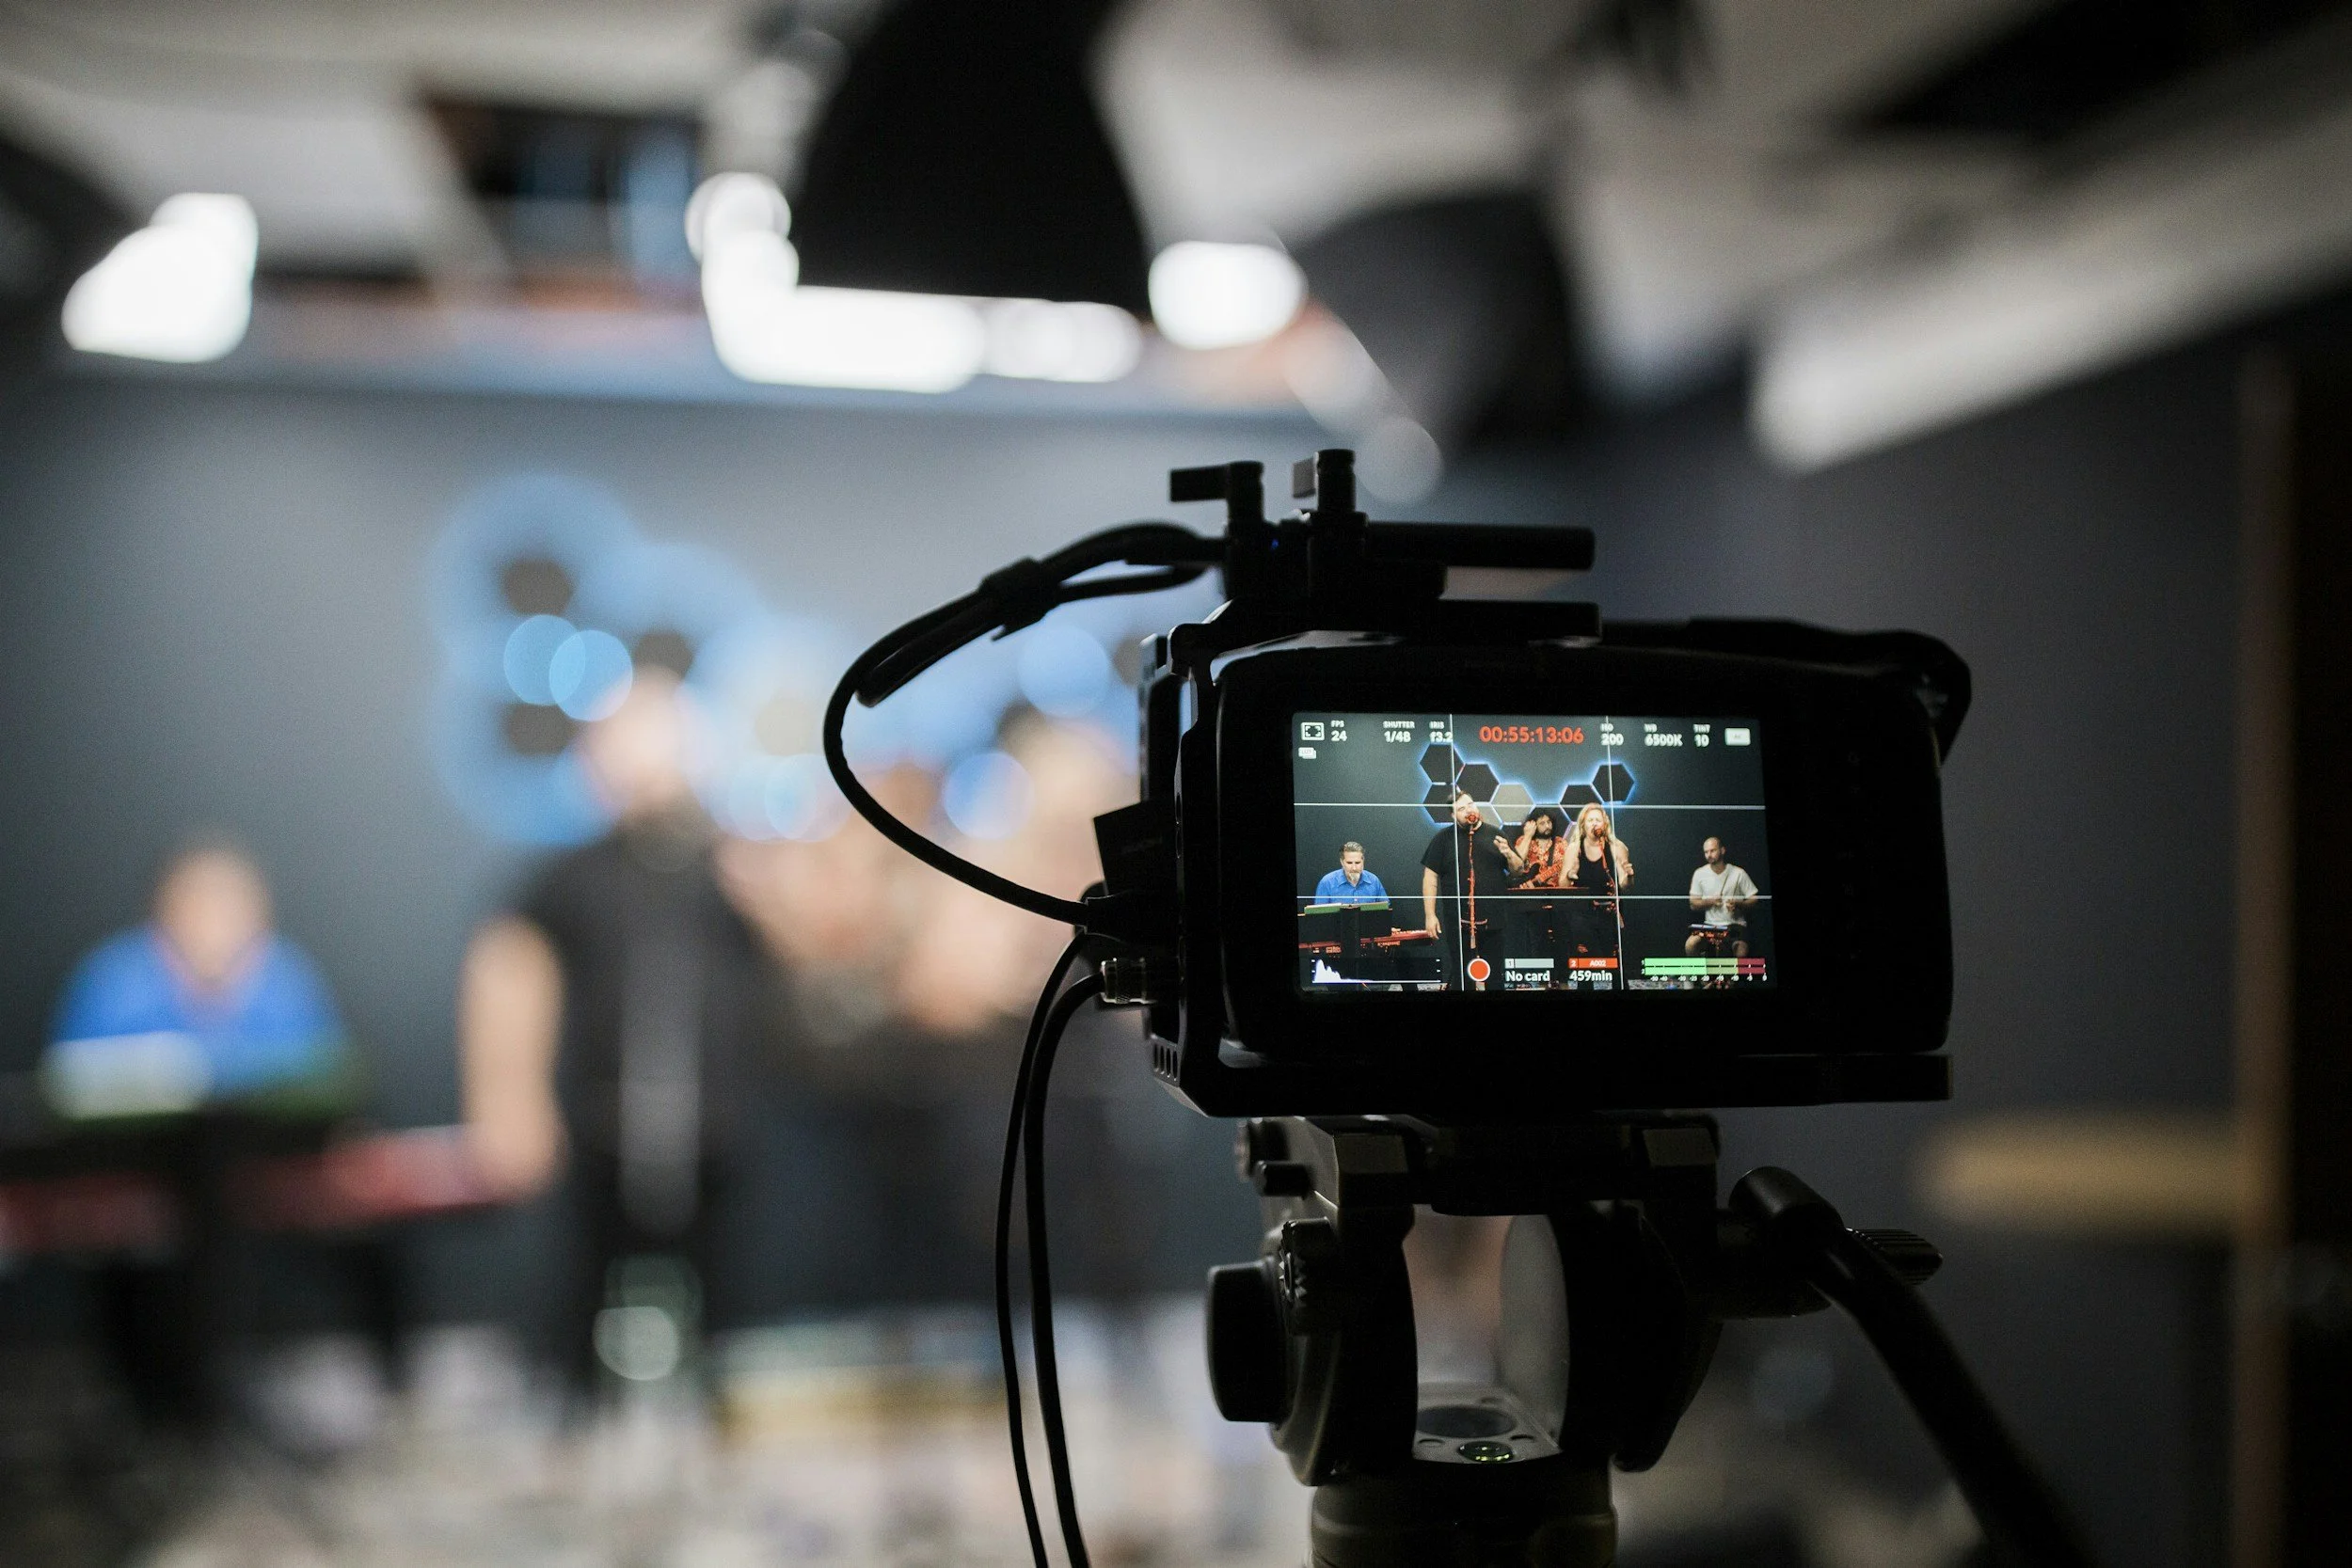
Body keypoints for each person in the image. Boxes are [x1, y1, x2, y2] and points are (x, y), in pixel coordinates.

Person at [458, 669, 787, 1396]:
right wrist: (506, 1098)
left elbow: (822, 941)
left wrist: (773, 888)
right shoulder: (570, 876)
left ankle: (714, 1428)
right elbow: (508, 971)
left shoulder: (737, 864)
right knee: (582, 1295)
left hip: (725, 1130)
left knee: (728, 1306)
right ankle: (579, 1426)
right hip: (601, 1127)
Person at [46, 838, 355, 1119]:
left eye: (230, 906)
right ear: (165, 908)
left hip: (260, 1163)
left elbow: (329, 1080)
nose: (214, 923)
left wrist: (202, 1070)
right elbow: (70, 1087)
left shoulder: (288, 980)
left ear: (260, 915)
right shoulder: (113, 981)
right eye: (199, 903)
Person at [1420, 792, 1523, 989]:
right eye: (1462, 808)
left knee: (1494, 979)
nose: (1469, 810)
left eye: (1471, 804)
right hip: (1458, 922)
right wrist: (1430, 915)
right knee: (1462, 978)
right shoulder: (1442, 839)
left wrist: (1509, 854)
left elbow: (1518, 870)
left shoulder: (1496, 834)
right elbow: (1430, 877)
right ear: (1453, 816)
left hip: (1494, 920)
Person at [1560, 801, 1634, 975]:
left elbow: (1625, 885)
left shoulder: (1616, 847)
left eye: (1598, 820)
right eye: (1590, 820)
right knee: (1584, 967)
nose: (1594, 823)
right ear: (1583, 825)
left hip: (1610, 912)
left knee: (1616, 966)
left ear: (1605, 824)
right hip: (1583, 914)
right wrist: (1570, 875)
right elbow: (1562, 885)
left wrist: (1629, 876)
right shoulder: (1574, 848)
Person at [1505, 806, 1570, 986]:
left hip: (1557, 898)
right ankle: (1541, 980)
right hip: (1533, 900)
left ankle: (1563, 980)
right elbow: (1516, 862)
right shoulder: (1524, 841)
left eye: (1549, 822)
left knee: (1562, 940)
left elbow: (1567, 865)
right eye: (1542, 822)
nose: (1547, 825)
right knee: (1537, 941)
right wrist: (1527, 835)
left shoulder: (1562, 844)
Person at [1685, 835, 1759, 958]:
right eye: (1706, 852)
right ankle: (1698, 976)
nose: (1709, 854)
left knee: (1741, 950)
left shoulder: (1738, 873)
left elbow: (1754, 899)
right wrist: (1711, 901)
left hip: (1735, 925)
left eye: (1712, 850)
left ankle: (1731, 978)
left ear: (1722, 850)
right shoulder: (1700, 873)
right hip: (1710, 925)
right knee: (1690, 944)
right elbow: (1693, 903)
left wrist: (1738, 903)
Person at [1313, 842, 1389, 905]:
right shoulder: (1327, 883)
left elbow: (1384, 909)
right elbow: (1320, 915)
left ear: (1363, 861)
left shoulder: (1373, 881)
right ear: (1342, 862)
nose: (1354, 868)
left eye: (1357, 862)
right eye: (1349, 863)